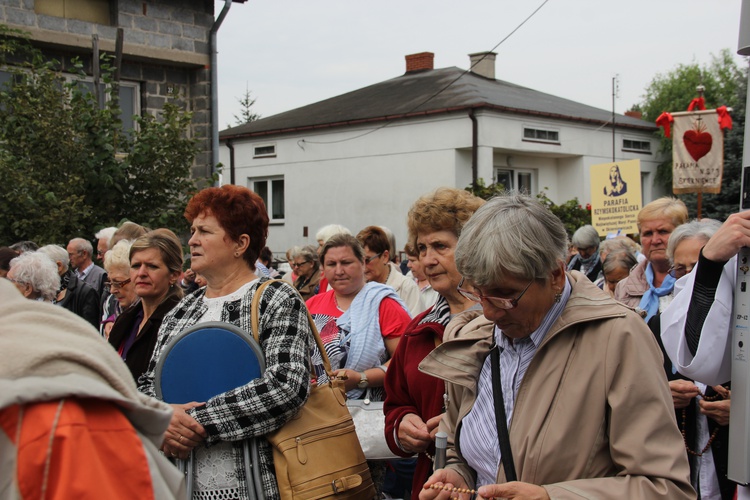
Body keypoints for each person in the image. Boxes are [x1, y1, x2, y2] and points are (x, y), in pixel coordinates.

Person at [418, 192, 693, 500]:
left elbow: (666, 488)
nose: (490, 311)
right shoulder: (475, 337)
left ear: (555, 276)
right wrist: (457, 473)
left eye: (504, 295)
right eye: (476, 292)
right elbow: (462, 446)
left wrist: (553, 497)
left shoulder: (619, 338)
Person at [139, 185, 314, 500]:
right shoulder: (182, 310)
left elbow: (286, 387)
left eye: (204, 231)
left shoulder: (275, 298)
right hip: (179, 483)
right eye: (192, 230)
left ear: (240, 243)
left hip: (258, 484)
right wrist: (159, 416)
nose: (191, 240)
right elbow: (148, 384)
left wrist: (192, 423)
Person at [0, 278, 185, 499]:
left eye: (120, 281)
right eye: (111, 282)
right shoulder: (125, 319)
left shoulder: (60, 421)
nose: (140, 276)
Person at [384, 187, 484, 499]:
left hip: (493, 482)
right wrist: (402, 426)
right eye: (421, 248)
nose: (428, 260)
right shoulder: (418, 329)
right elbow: (395, 403)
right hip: (432, 485)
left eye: (440, 246)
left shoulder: (506, 324)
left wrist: (464, 424)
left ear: (473, 247)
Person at [650, 219, 733, 499]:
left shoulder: (740, 325)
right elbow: (638, 390)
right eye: (680, 269)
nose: (689, 277)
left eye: (699, 268)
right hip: (681, 469)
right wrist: (663, 393)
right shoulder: (659, 325)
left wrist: (742, 413)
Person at [108, 229, 183, 383]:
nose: (141, 273)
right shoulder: (126, 319)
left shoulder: (181, 320)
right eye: (136, 266)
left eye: (152, 266)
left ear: (174, 275)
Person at [615, 197, 688, 321]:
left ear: (681, 234)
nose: (655, 240)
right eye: (648, 233)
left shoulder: (694, 279)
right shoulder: (624, 288)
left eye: (663, 231)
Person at [358, 225, 424, 316]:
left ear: (385, 257)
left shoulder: (407, 288)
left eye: (368, 260)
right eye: (360, 261)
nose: (363, 267)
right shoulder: (357, 286)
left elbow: (416, 327)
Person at [38, 244, 101, 328]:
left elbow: (91, 331)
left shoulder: (85, 292)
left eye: (40, 268)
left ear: (59, 266)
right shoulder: (41, 289)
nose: (37, 273)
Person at [101, 239, 139, 338]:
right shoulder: (112, 303)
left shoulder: (151, 314)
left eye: (118, 283)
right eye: (110, 283)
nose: (112, 290)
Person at [404, 242, 439, 309]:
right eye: (408, 260)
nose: (408, 265)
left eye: (412, 261)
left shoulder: (438, 287)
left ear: (424, 260)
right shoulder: (407, 279)